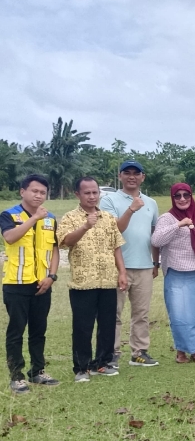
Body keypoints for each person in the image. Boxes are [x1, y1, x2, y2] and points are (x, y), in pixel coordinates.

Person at [56, 177, 128, 383]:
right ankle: (82, 368)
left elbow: (116, 247)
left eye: (95, 192)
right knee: (82, 326)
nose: (92, 196)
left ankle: (102, 363)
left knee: (107, 324)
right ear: (77, 194)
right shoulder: (70, 218)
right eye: (86, 193)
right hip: (83, 282)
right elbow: (65, 241)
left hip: (107, 280)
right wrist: (85, 226)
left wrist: (122, 272)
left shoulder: (107, 217)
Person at [2, 174, 60, 394]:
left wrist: (51, 276)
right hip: (16, 284)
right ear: (22, 192)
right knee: (16, 331)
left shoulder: (50, 218)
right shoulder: (9, 215)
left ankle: (38, 371)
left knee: (39, 330)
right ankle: (16, 376)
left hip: (42, 284)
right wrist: (33, 218)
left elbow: (54, 249)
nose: (38, 195)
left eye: (43, 192)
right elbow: (10, 238)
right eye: (34, 191)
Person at [100, 160, 160, 368]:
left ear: (143, 177)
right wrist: (131, 209)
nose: (132, 176)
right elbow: (113, 230)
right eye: (127, 172)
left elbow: (154, 235)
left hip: (144, 265)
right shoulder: (109, 200)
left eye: (136, 173)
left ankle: (139, 352)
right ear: (120, 176)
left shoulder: (151, 203)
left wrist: (155, 262)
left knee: (141, 313)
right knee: (113, 312)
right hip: (117, 265)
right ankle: (112, 353)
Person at [151, 183, 195, 363]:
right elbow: (156, 240)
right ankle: (181, 351)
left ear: (191, 196)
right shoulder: (167, 218)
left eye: (186, 195)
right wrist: (178, 225)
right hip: (177, 273)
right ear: (173, 198)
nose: (182, 199)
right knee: (179, 315)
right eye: (177, 196)